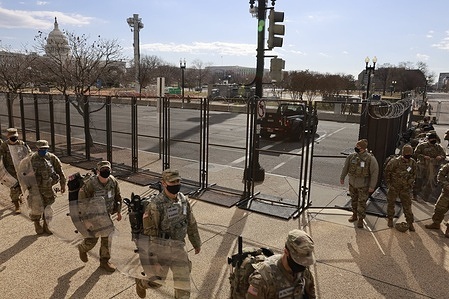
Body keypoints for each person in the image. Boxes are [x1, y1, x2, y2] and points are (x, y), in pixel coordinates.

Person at [135, 169, 201, 299]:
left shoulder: (183, 200)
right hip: (161, 251)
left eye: (178, 181)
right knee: (157, 281)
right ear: (163, 183)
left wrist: (196, 242)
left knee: (183, 286)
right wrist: (154, 261)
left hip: (178, 249)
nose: (176, 184)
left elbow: (191, 222)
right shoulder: (155, 205)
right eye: (172, 182)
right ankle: (142, 283)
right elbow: (149, 236)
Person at [77, 160, 122, 272]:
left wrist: (119, 212)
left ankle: (104, 261)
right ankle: (83, 248)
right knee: (92, 240)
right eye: (103, 170)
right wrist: (86, 220)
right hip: (93, 217)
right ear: (97, 171)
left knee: (107, 239)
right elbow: (82, 202)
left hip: (106, 216)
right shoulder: (90, 183)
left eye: (107, 170)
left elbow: (118, 197)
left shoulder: (113, 182)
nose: (105, 172)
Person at [246, 229, 316, 299]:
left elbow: (311, 294)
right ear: (286, 252)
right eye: (298, 260)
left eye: (305, 261)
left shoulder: (304, 272)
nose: (302, 265)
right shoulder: (263, 278)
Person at [340, 139, 379, 228]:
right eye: (356, 146)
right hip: (352, 184)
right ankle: (354, 215)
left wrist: (372, 186)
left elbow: (374, 172)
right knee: (353, 201)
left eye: (358, 147)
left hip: (363, 185)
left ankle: (361, 219)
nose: (356, 148)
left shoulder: (370, 159)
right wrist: (342, 177)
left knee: (361, 203)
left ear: (363, 148)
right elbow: (345, 167)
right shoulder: (351, 157)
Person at [29, 140, 66, 234]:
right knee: (36, 207)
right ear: (37, 148)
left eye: (45, 148)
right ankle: (37, 224)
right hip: (35, 188)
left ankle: (46, 225)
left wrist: (63, 185)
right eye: (41, 149)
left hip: (48, 187)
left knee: (48, 207)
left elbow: (60, 172)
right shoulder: (31, 158)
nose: (43, 150)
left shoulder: (52, 158)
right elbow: (23, 173)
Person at [384, 145, 417, 231]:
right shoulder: (394, 162)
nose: (408, 155)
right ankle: (390, 219)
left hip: (406, 189)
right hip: (394, 187)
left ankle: (410, 223)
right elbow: (387, 172)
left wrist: (410, 181)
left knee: (407, 206)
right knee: (391, 204)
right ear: (403, 153)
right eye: (407, 153)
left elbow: (414, 173)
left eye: (410, 153)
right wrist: (389, 185)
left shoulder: (412, 162)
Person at [0, 128, 31, 213]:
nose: (14, 139)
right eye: (12, 137)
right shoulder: (4, 146)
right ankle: (16, 205)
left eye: (15, 137)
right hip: (10, 171)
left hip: (21, 169)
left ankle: (20, 195)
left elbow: (29, 154)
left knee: (22, 186)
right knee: (14, 187)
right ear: (8, 137)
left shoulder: (21, 144)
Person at [413, 132, 446, 201]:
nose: (433, 141)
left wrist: (440, 157)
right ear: (428, 139)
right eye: (432, 139)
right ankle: (415, 194)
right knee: (419, 180)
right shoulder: (422, 146)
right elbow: (416, 154)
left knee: (430, 182)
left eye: (434, 139)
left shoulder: (438, 147)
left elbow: (444, 155)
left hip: (433, 167)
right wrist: (424, 157)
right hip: (422, 166)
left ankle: (425, 196)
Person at [425, 162, 449, 237]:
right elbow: (440, 174)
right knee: (439, 208)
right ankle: (436, 223)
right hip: (447, 192)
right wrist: (446, 184)